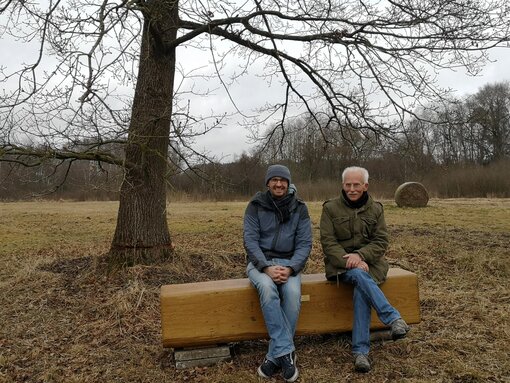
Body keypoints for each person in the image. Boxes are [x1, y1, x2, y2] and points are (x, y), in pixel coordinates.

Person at [320, 166, 409, 373]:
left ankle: (361, 353)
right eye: (348, 185)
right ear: (343, 185)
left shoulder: (376, 209)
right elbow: (328, 242)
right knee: (360, 274)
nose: (352, 189)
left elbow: (381, 240)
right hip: (340, 266)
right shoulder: (330, 208)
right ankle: (393, 318)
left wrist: (361, 256)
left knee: (361, 286)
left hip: (372, 265)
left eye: (356, 185)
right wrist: (351, 261)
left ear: (365, 186)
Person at [244, 164, 313, 382]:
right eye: (274, 180)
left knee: (293, 295)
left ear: (288, 183)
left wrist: (291, 267)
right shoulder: (255, 206)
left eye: (283, 180)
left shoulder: (300, 208)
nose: (279, 184)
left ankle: (274, 356)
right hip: (260, 264)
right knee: (267, 288)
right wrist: (265, 267)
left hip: (290, 264)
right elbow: (250, 241)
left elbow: (304, 243)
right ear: (268, 183)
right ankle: (286, 351)